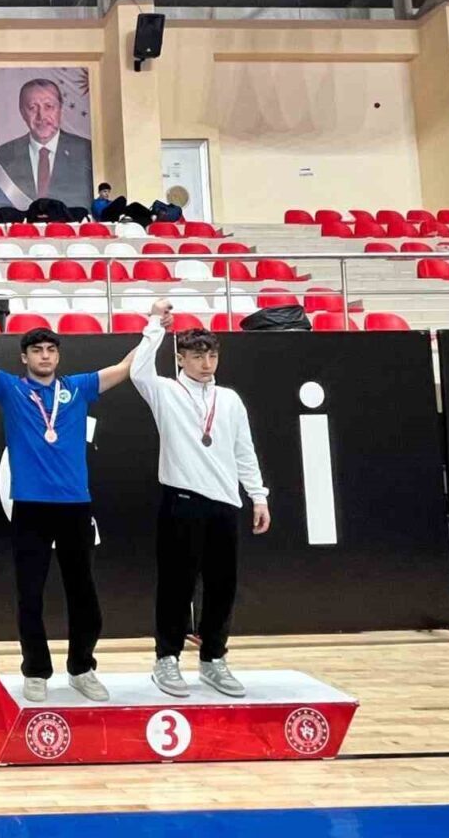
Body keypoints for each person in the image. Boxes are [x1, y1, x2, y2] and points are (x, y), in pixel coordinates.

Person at [0, 290, 136, 703]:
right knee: (30, 594)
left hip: (75, 507)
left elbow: (125, 368)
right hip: (31, 508)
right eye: (37, 350)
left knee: (84, 594)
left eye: (50, 350)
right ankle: (36, 671)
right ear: (24, 357)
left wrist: (154, 330)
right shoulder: (10, 389)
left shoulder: (78, 389)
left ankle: (82, 668)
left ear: (58, 356)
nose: (45, 356)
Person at [130, 299, 271, 699]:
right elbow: (138, 369)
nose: (206, 363)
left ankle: (213, 659)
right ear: (180, 358)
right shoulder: (165, 391)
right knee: (176, 585)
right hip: (182, 501)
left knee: (222, 586)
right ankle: (166, 658)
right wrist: (155, 323)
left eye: (212, 355)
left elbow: (244, 451)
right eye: (197, 356)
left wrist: (258, 496)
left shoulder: (230, 399)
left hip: (225, 504)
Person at [0, 79, 93, 206]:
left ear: (60, 109)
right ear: (22, 112)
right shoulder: (1, 157)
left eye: (49, 106)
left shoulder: (87, 152)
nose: (41, 116)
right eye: (32, 108)